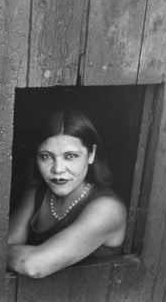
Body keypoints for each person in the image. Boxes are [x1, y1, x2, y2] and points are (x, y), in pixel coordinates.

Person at [7, 109, 127, 278]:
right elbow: (2, 245)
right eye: (46, 156)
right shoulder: (36, 192)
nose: (58, 169)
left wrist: (28, 255)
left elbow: (33, 265)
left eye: (70, 156)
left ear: (91, 154)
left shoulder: (108, 209)